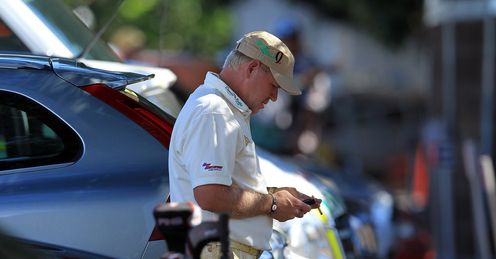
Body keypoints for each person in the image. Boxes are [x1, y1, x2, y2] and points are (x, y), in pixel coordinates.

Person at [168, 31, 322, 259]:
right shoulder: (215, 111)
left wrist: (275, 195)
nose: (274, 97)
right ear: (251, 68)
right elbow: (210, 195)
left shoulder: (222, 108)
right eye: (274, 85)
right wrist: (272, 203)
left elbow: (220, 187)